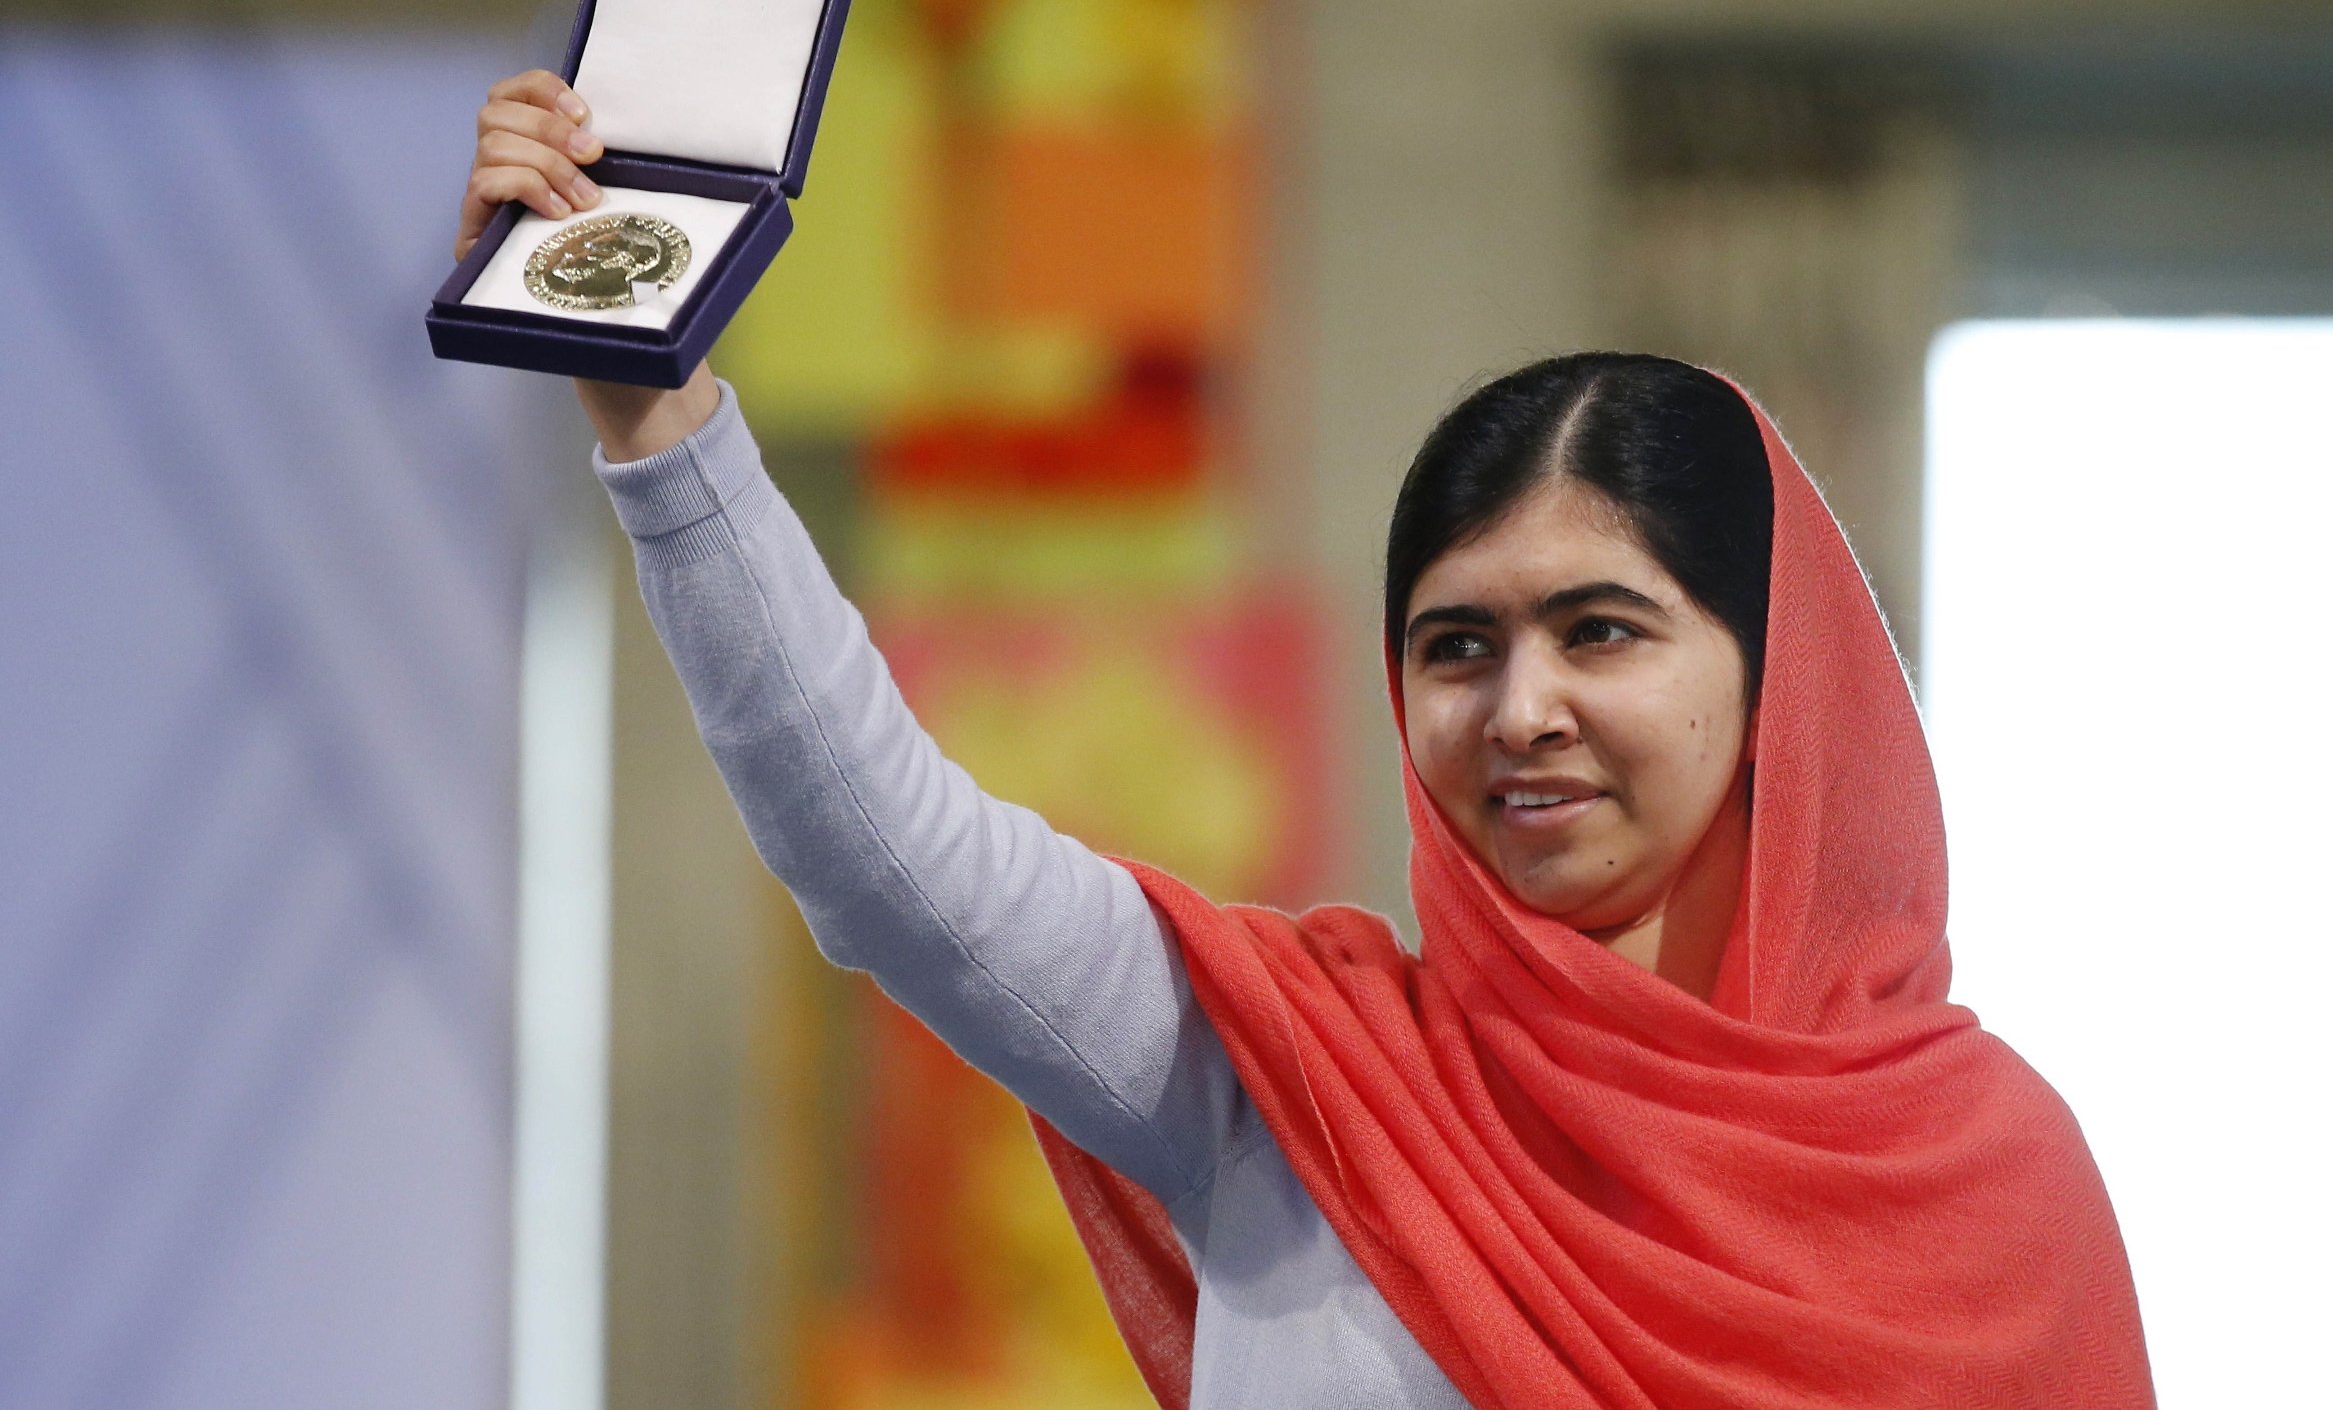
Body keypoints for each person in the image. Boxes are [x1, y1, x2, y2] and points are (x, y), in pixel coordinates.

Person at [459, 70, 2157, 1409]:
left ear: (1779, 672)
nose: (1520, 708)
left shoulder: (1984, 1186)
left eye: (1602, 629)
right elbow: (882, 848)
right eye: (1453, 647)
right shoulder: (1297, 1082)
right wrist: (657, 409)